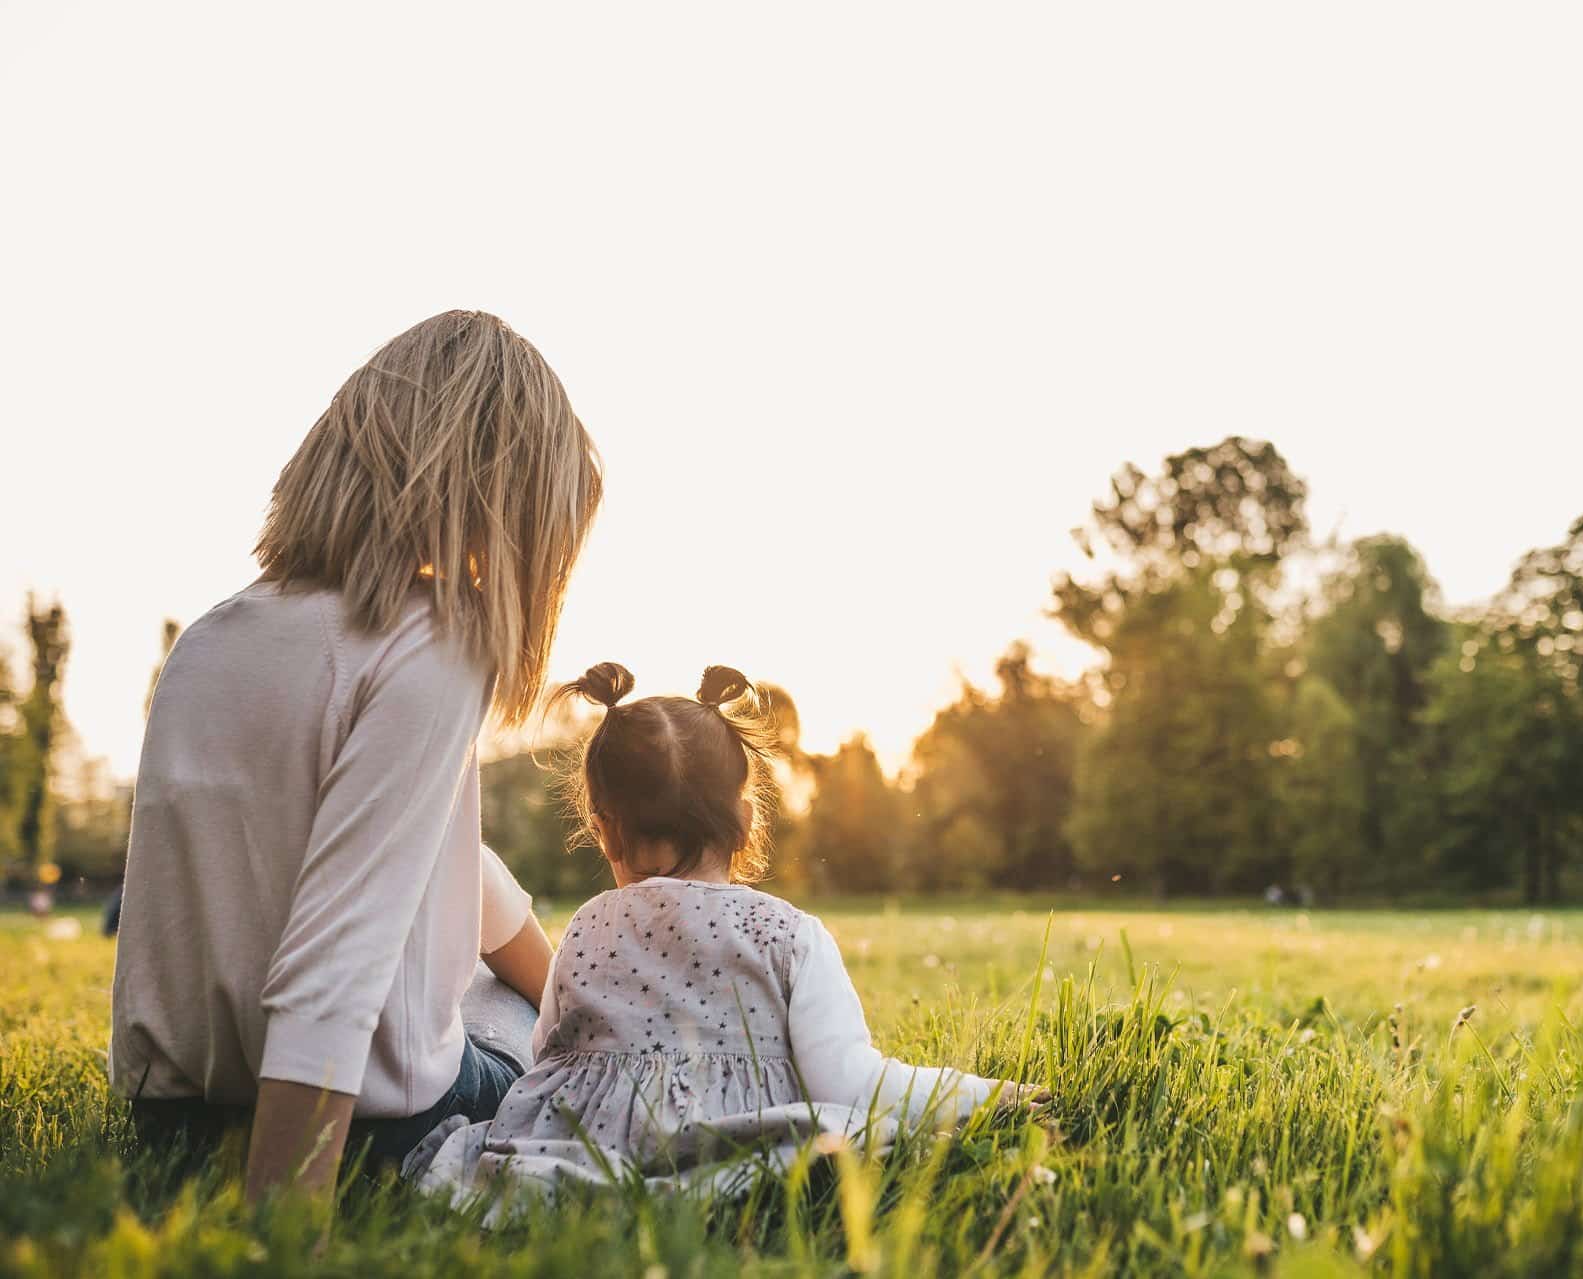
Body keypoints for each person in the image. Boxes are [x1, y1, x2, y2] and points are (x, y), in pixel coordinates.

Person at [109, 311, 602, 1202]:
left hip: (172, 1122)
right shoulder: (434, 641)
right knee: (521, 1021)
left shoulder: (211, 637)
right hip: (357, 1132)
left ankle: (563, 998)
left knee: (463, 895)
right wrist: (282, 1226)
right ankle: (584, 1017)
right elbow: (332, 964)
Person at [407, 663, 1048, 1204]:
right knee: (844, 1130)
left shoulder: (587, 926)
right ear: (745, 820)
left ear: (604, 828)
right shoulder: (788, 935)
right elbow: (851, 1082)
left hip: (583, 1146)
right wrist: (991, 1096)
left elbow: (547, 1056)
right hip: (733, 1141)